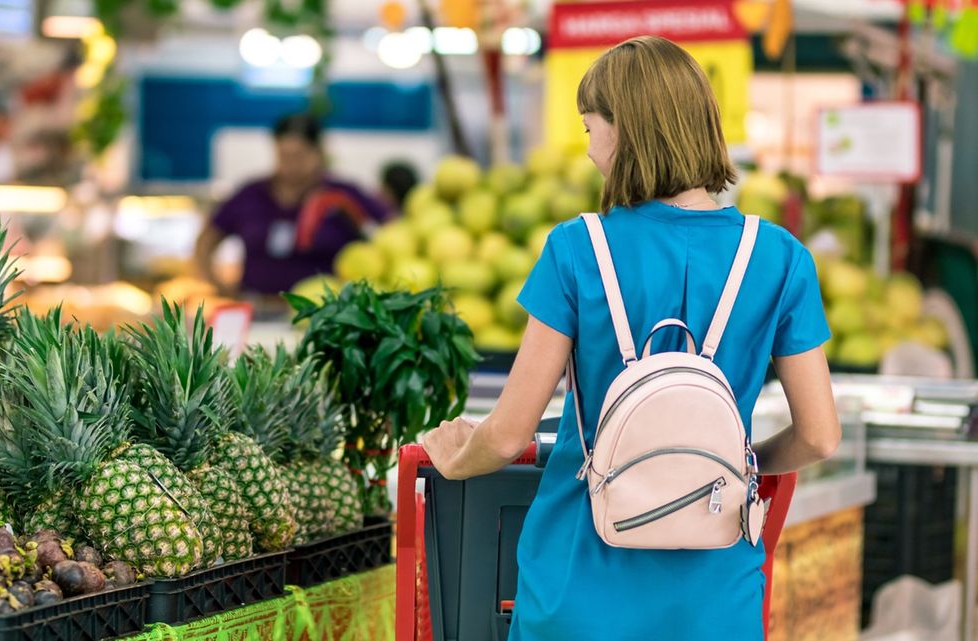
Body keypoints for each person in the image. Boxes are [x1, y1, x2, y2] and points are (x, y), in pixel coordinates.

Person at [421, 36, 840, 640]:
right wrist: (736, 466)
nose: (589, 150)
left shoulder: (577, 250)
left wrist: (458, 457)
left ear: (625, 132)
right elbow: (820, 436)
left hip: (579, 583)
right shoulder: (778, 258)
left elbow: (511, 430)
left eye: (590, 128)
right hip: (715, 593)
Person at [194, 113, 390, 296]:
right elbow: (206, 240)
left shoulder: (343, 195)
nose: (291, 165)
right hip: (257, 308)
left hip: (325, 313)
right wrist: (219, 287)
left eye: (299, 156)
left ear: (319, 152)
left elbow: (390, 231)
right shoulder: (251, 194)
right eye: (284, 156)